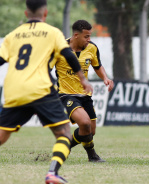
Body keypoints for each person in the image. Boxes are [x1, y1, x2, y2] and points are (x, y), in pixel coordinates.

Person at [0, 0, 93, 183]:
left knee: (2, 135)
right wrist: (83, 79)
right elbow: (68, 55)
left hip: (14, 89)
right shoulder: (52, 32)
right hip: (40, 89)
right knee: (64, 133)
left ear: (26, 14)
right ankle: (52, 173)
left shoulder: (13, 35)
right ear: (45, 13)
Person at [51, 20, 114, 162]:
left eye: (90, 36)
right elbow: (45, 68)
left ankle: (68, 145)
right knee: (84, 123)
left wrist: (105, 78)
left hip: (85, 95)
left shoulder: (91, 48)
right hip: (66, 95)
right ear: (76, 35)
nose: (89, 39)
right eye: (86, 36)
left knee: (90, 132)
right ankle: (92, 156)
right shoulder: (60, 48)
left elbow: (98, 66)